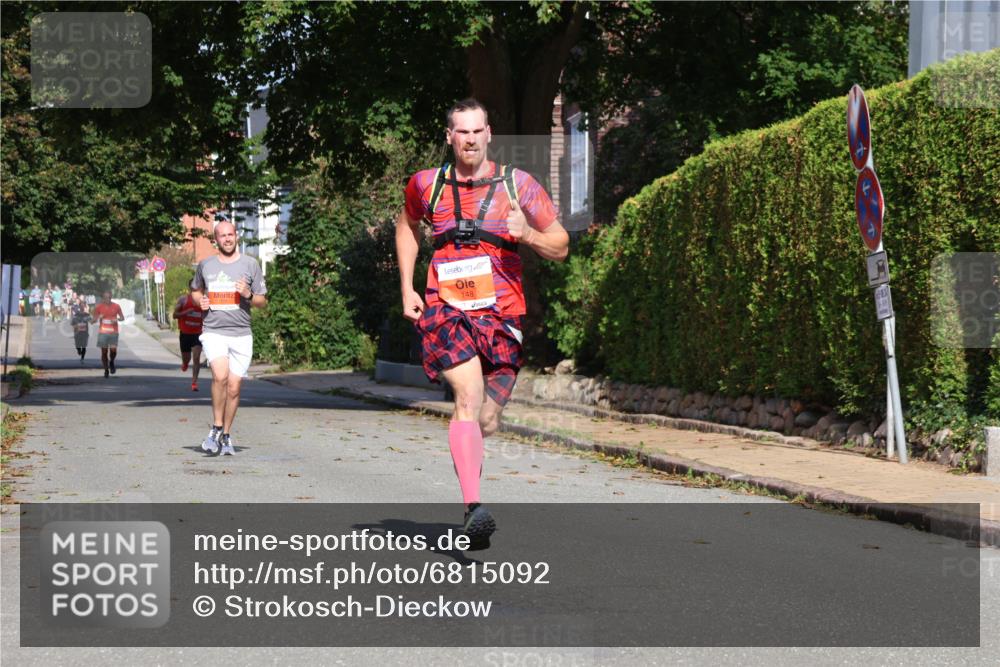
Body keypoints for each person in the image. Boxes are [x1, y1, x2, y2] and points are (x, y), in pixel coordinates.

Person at [395, 98, 569, 548]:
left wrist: (526, 233)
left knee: (487, 418)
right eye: (462, 132)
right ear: (449, 136)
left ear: (489, 133)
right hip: (446, 308)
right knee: (468, 396)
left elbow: (561, 244)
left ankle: (472, 480)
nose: (470, 140)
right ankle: (474, 507)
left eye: (477, 131)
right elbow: (407, 226)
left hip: (502, 314)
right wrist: (407, 287)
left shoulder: (519, 185)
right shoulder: (426, 184)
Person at [190, 221, 267, 456]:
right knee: (220, 376)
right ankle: (216, 427)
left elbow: (262, 301)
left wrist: (248, 294)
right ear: (216, 240)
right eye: (222, 236)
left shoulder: (250, 264)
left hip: (241, 333)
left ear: (236, 236)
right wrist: (200, 301)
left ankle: (226, 434)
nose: (227, 239)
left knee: (234, 387)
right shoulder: (206, 265)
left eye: (230, 234)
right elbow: (195, 291)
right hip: (214, 330)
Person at [173, 287, 205, 391]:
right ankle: (185, 363)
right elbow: (174, 315)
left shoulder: (204, 301)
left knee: (196, 358)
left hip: (197, 334)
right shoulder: (183, 300)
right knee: (187, 359)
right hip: (185, 334)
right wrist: (186, 312)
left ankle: (194, 382)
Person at [92, 290, 125, 378]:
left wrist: (117, 319)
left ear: (111, 297)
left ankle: (112, 361)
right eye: (106, 298)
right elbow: (92, 321)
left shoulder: (116, 306)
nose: (107, 299)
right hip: (103, 332)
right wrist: (98, 317)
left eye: (109, 298)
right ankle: (106, 369)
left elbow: (122, 318)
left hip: (113, 332)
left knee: (113, 351)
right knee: (104, 352)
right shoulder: (98, 307)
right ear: (103, 298)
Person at [71, 299, 91, 364]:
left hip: (85, 333)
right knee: (78, 346)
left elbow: (92, 321)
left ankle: (82, 358)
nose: (82, 307)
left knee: (84, 346)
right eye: (81, 306)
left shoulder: (87, 314)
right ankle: (79, 350)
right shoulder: (76, 315)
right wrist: (75, 326)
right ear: (79, 307)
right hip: (77, 333)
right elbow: (72, 323)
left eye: (83, 306)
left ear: (85, 307)